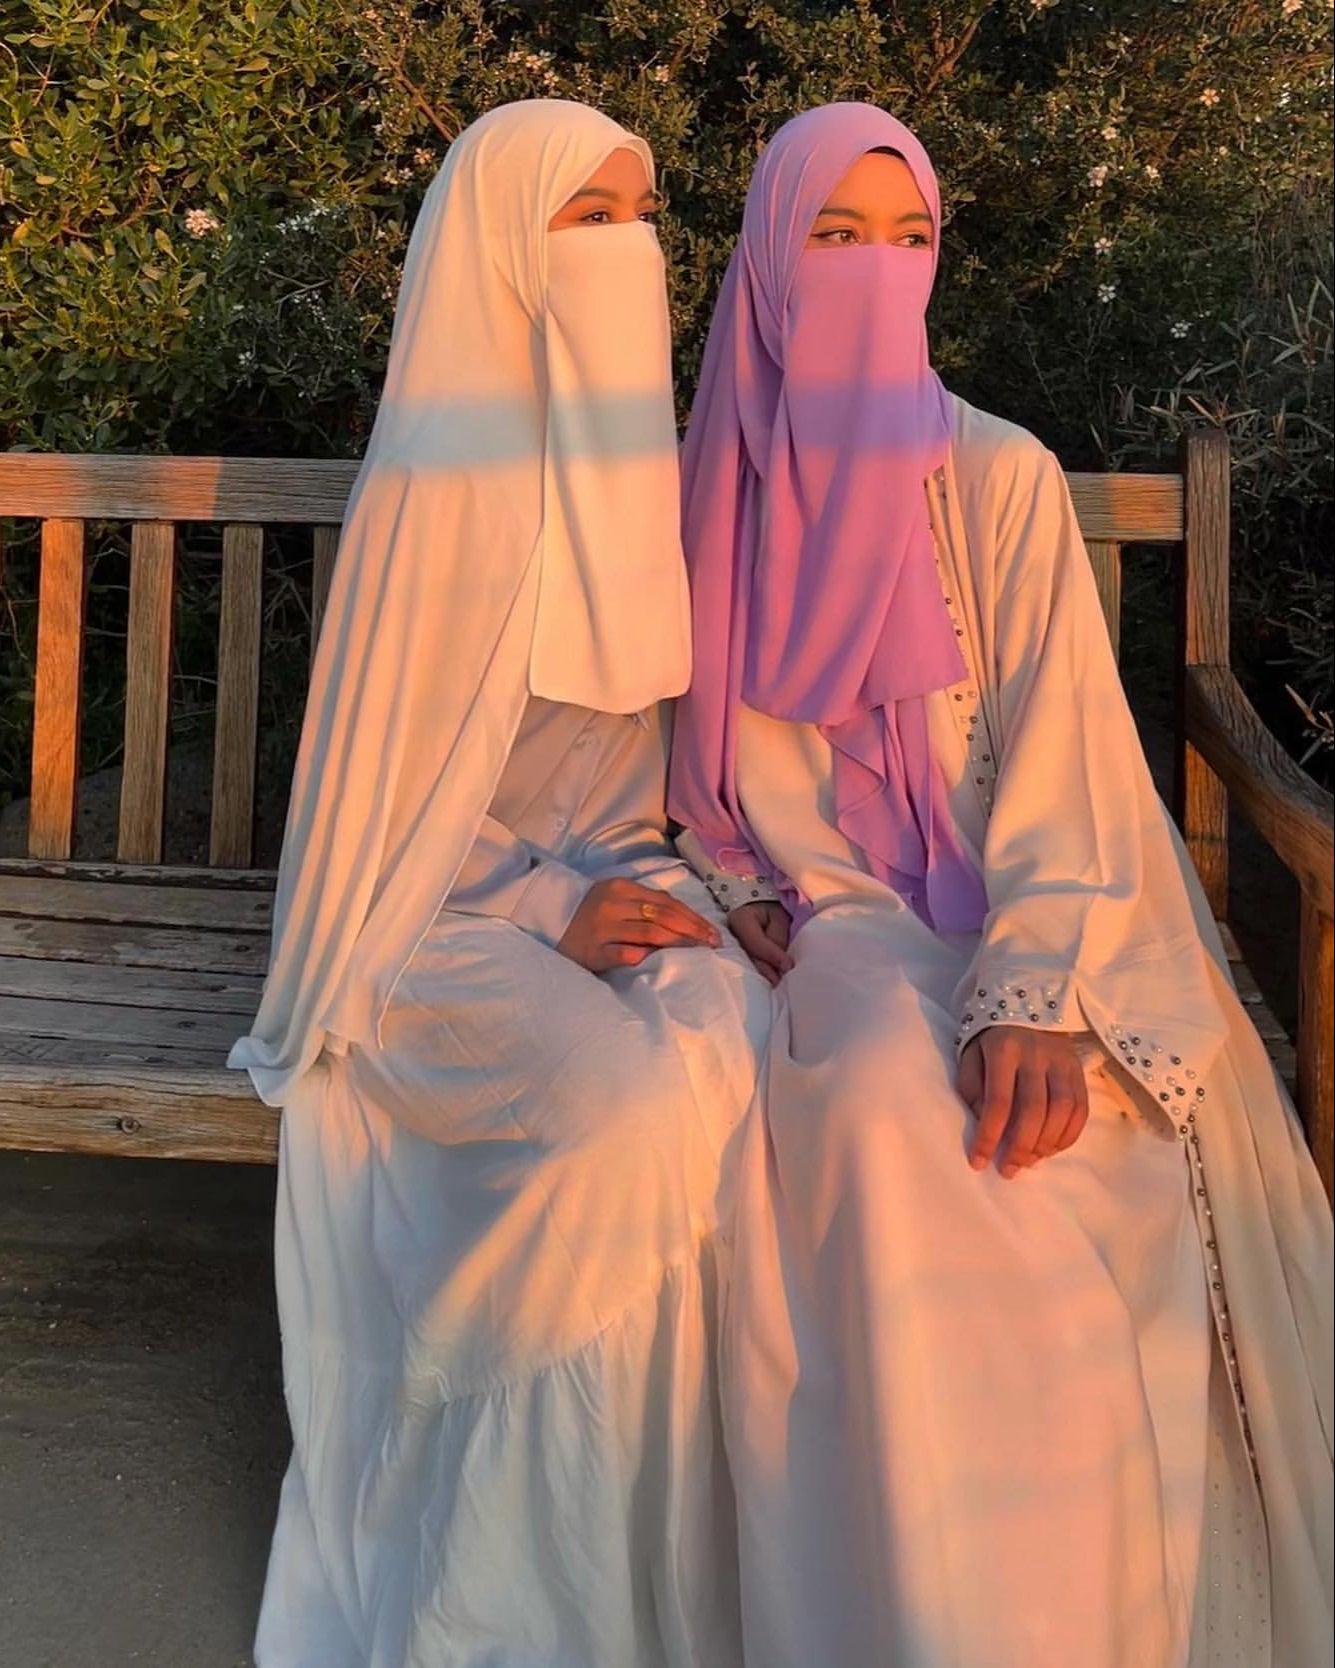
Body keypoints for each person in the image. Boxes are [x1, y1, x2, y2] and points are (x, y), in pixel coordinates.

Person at [669, 101, 1333, 1668]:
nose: (875, 276)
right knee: (893, 1124)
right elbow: (660, 769)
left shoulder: (998, 475)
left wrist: (1028, 988)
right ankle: (921, 1610)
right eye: (835, 241)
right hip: (822, 917)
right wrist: (711, 880)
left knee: (1056, 1142)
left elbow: (1068, 770)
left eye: (910, 245)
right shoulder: (707, 487)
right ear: (767, 264)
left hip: (1018, 911)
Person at [230, 99, 770, 1668]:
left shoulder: (628, 483)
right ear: (499, 249)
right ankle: (483, 1567)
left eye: (643, 219)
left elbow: (619, 792)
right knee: (609, 1113)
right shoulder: (445, 489)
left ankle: (641, 1569)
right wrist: (550, 910)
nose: (628, 254)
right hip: (417, 934)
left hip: (584, 888)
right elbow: (384, 832)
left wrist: (668, 899)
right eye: (584, 223)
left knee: (720, 1041)